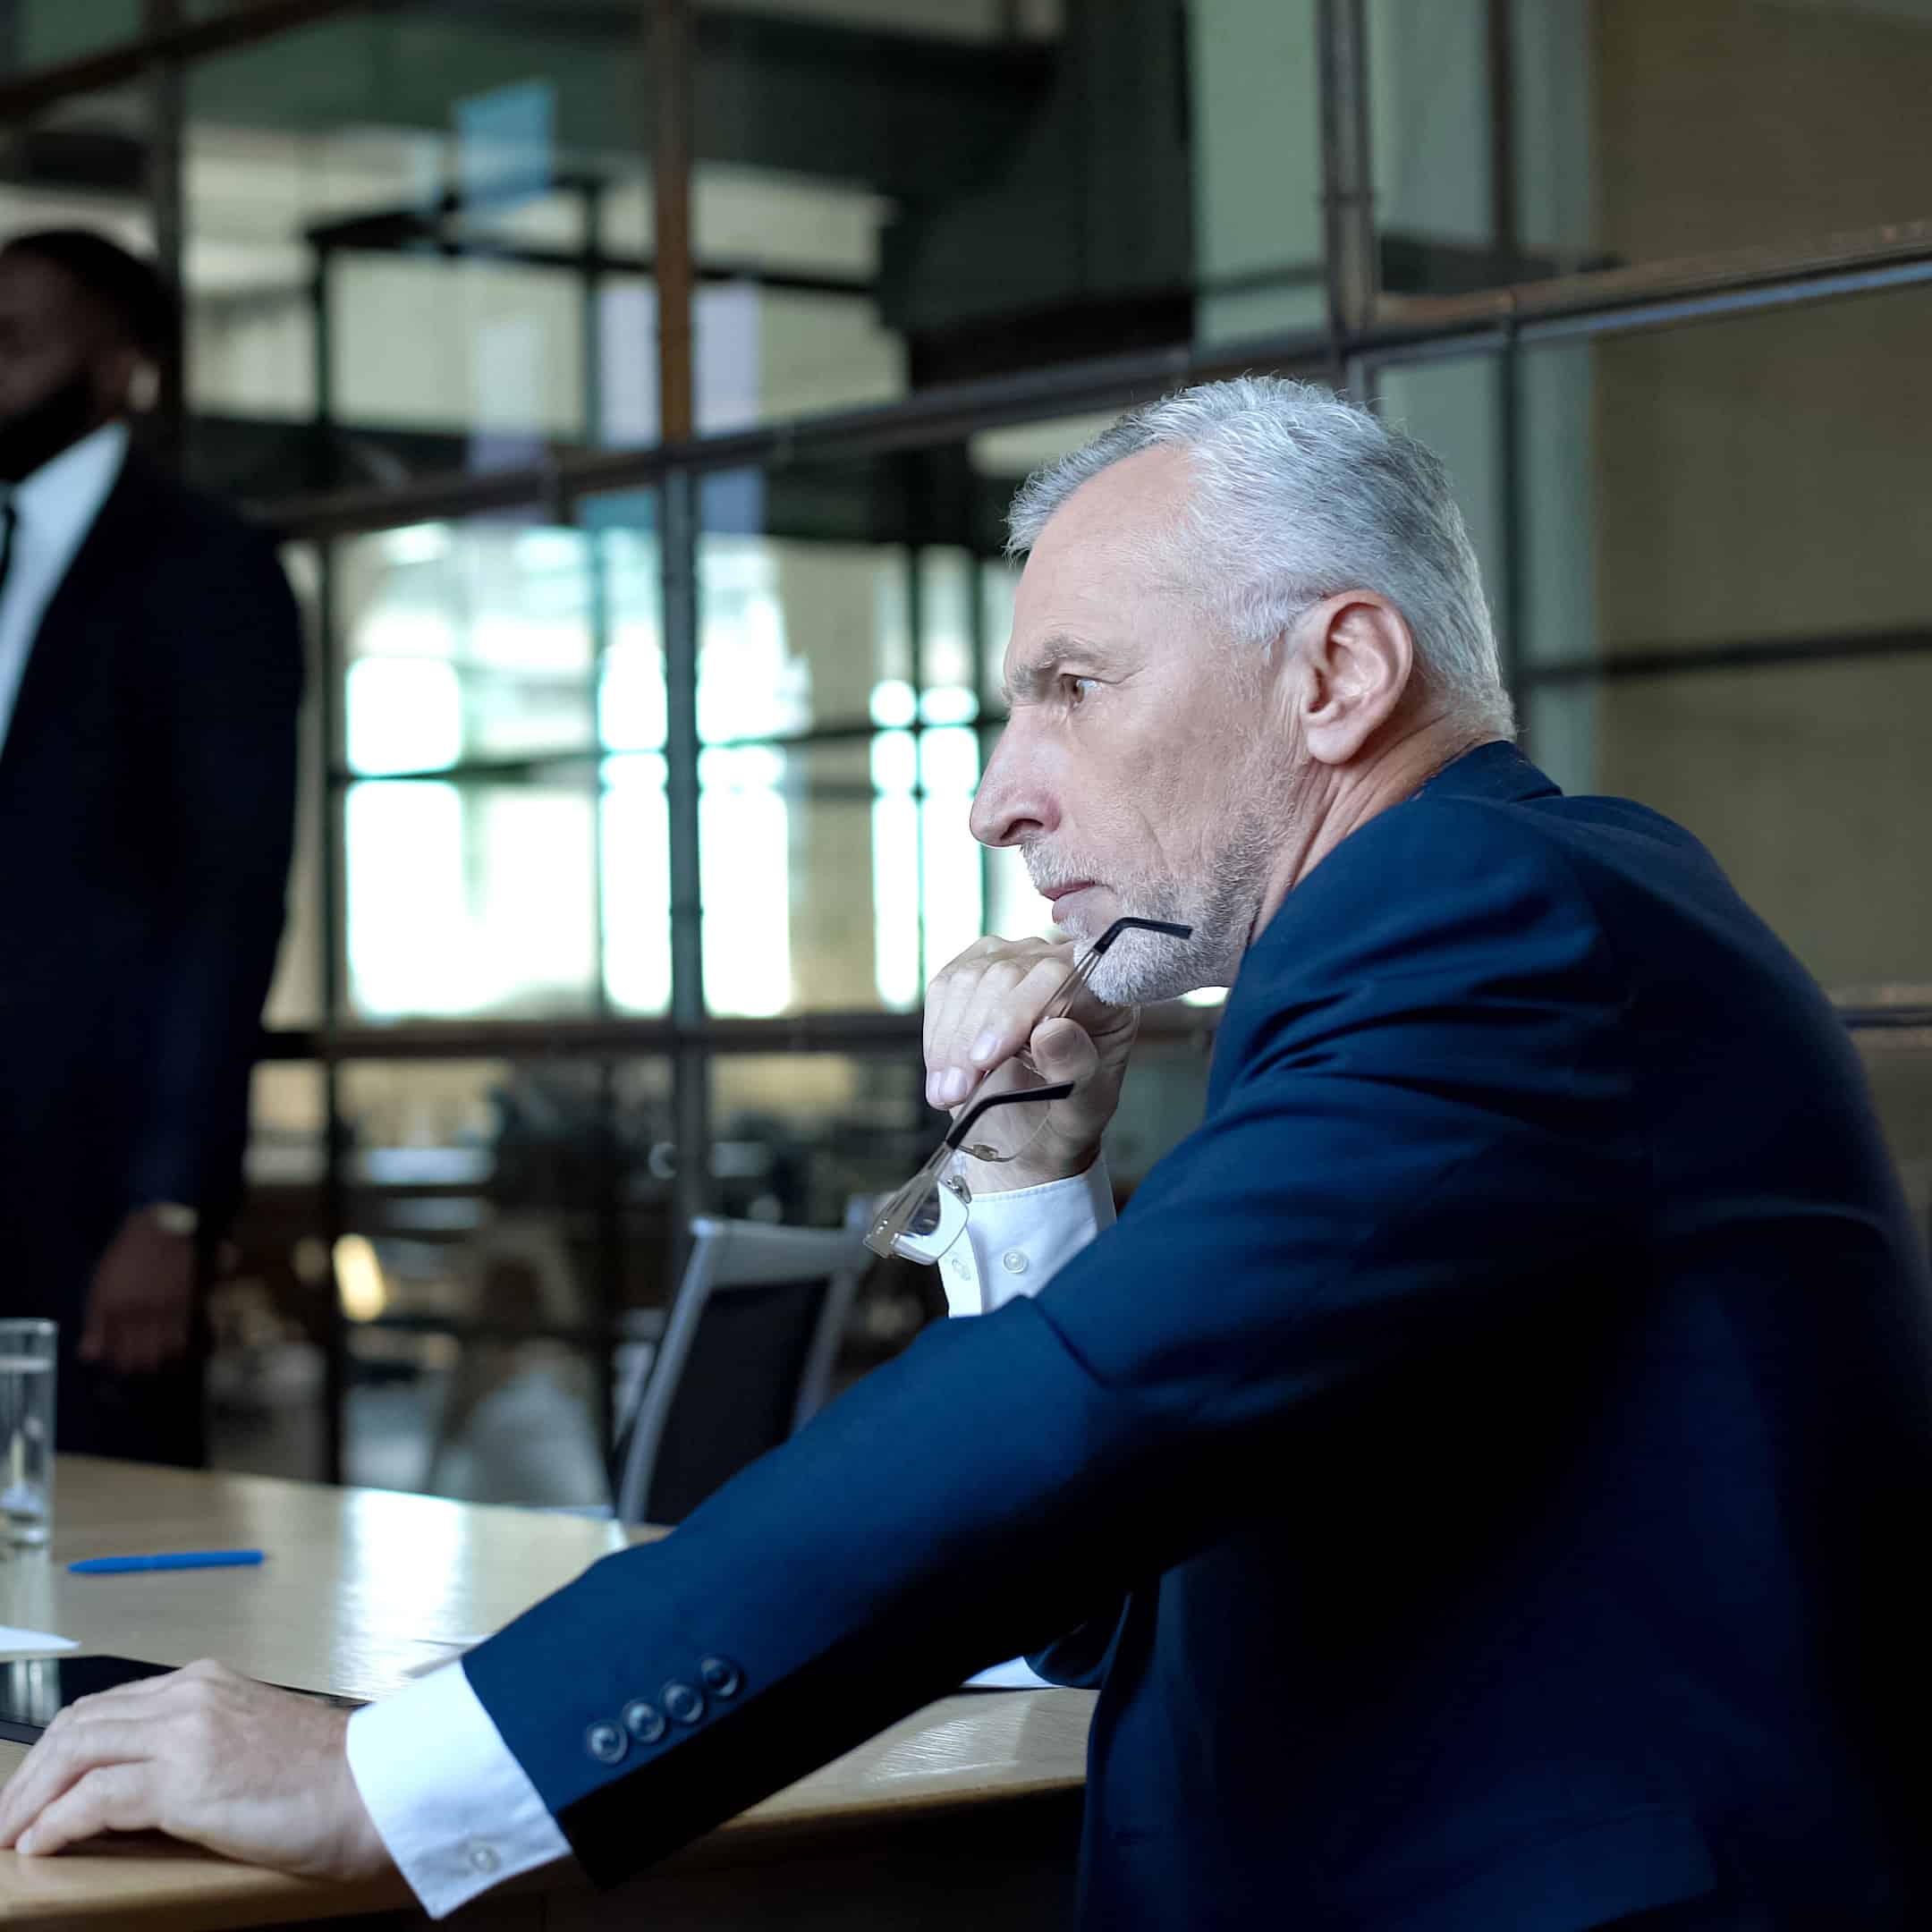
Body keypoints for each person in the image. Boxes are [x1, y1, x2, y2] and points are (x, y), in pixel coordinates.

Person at [4, 377, 1928, 1930]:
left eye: (1071, 690)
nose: (1004, 794)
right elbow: (1105, 1579)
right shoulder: (1466, 938)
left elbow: (1076, 1424)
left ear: (1339, 676)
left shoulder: (1497, 931)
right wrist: (1028, 1178)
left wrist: (395, 1773)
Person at [0, 229, 301, 1465]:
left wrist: (169, 1205)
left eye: (12, 341)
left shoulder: (206, 568)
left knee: (98, 1576)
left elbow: (227, 903)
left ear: (117, 368)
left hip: (93, 1196)